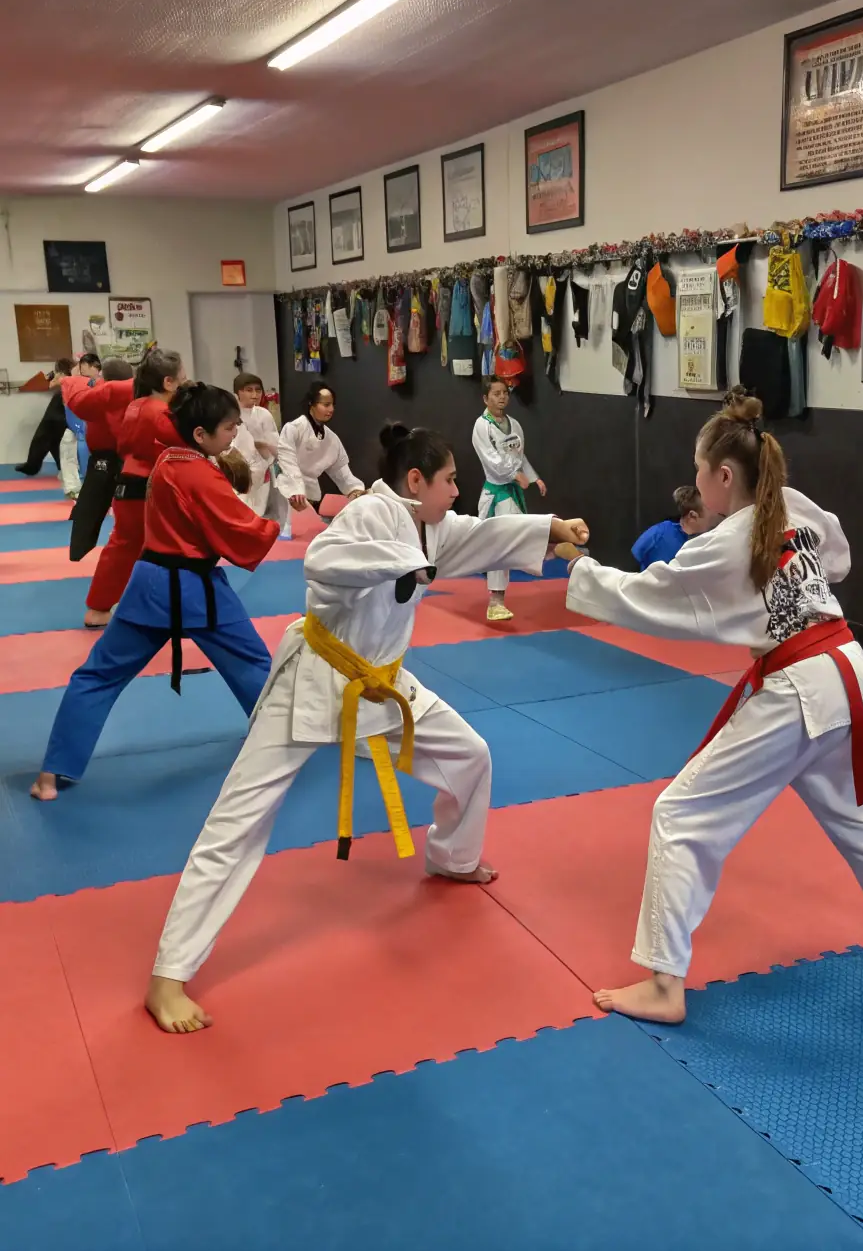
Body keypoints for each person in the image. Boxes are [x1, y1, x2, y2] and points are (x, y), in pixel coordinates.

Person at [144, 420, 589, 1033]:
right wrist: (406, 561)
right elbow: (322, 559)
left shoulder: (431, 524)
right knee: (238, 820)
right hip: (313, 681)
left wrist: (550, 528)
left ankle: (453, 856)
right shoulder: (369, 516)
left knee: (470, 754)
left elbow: (483, 535)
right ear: (415, 481)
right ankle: (168, 975)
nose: (457, 491)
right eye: (450, 480)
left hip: (381, 685)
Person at [563, 388, 863, 1026]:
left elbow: (651, 595)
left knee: (680, 813)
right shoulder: (793, 507)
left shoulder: (727, 541)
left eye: (698, 475)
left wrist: (578, 568)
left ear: (723, 475)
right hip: (849, 673)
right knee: (860, 818)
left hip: (799, 690)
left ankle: (664, 985)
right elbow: (835, 556)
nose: (694, 488)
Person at [30, 383, 278, 804]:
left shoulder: (168, 457)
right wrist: (273, 517)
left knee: (98, 676)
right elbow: (243, 532)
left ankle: (50, 776)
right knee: (255, 663)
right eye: (229, 427)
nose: (235, 434)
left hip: (149, 586)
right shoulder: (198, 473)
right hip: (196, 592)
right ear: (200, 434)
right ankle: (280, 744)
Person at [81, 347, 184, 629]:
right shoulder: (160, 411)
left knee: (123, 547)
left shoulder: (135, 406)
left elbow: (124, 445)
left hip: (127, 482)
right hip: (148, 488)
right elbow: (179, 447)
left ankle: (99, 608)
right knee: (166, 550)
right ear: (168, 382)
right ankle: (162, 608)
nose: (183, 384)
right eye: (181, 379)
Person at [473, 376, 546, 622]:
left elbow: (519, 457)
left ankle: (533, 556)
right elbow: (491, 460)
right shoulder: (482, 426)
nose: (502, 397)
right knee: (501, 544)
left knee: (511, 540)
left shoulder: (514, 424)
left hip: (512, 491)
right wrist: (515, 476)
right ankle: (495, 601)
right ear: (485, 398)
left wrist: (534, 478)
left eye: (504, 392)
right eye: (496, 393)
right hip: (496, 493)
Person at [62, 357, 137, 570]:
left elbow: (74, 397)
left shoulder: (98, 393)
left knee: (90, 506)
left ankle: (80, 549)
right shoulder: (139, 395)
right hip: (130, 458)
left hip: (104, 457)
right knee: (129, 509)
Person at [276, 381, 365, 537]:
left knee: (308, 538)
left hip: (309, 494)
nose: (331, 409)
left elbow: (341, 472)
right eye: (326, 405)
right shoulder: (293, 428)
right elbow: (287, 461)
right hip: (288, 491)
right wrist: (297, 489)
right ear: (312, 404)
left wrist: (355, 490)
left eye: (332, 405)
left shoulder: (332, 439)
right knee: (286, 534)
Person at [631, 486, 717, 571]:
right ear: (692, 516)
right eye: (711, 518)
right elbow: (633, 561)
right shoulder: (660, 532)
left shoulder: (710, 542)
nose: (715, 522)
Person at [230, 372, 280, 517]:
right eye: (249, 390)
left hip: (260, 469)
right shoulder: (229, 414)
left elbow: (275, 445)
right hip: (234, 470)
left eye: (258, 390)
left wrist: (262, 446)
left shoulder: (264, 414)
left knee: (257, 513)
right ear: (238, 392)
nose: (255, 394)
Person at [16, 358, 72, 477]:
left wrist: (54, 378)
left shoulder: (67, 380)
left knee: (44, 436)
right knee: (53, 441)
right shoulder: (70, 378)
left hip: (60, 415)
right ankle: (60, 466)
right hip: (62, 415)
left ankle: (33, 465)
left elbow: (52, 384)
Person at [58, 354, 102, 500]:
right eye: (80, 365)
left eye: (83, 365)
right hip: (75, 421)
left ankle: (88, 485)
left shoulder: (102, 382)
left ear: (93, 367)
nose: (81, 368)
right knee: (67, 448)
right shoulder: (70, 381)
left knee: (87, 453)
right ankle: (72, 487)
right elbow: (66, 402)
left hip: (91, 425)